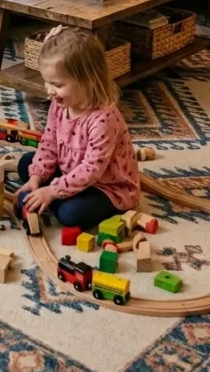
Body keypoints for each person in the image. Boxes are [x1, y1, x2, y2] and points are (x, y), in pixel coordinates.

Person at [14, 25, 140, 230]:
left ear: (88, 80)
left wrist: (52, 191)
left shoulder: (103, 119)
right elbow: (49, 142)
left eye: (57, 85)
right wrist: (36, 177)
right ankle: (53, 195)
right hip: (71, 170)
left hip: (106, 186)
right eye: (47, 82)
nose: (49, 90)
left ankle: (56, 199)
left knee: (70, 215)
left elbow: (91, 170)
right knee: (26, 164)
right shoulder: (59, 103)